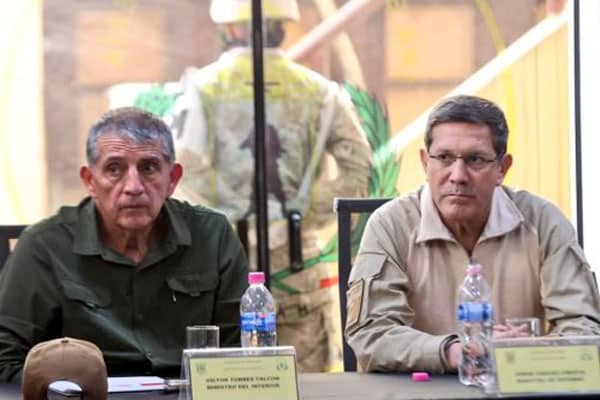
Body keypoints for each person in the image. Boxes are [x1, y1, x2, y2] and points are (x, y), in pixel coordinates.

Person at [167, 0, 371, 371]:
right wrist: (304, 211)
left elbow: (177, 172)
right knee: (306, 388)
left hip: (224, 265)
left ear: (228, 27)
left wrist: (222, 216)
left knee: (230, 384)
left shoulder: (200, 89)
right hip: (299, 266)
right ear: (284, 23)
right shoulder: (321, 91)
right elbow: (360, 170)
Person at [345, 95, 600, 373]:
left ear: (502, 168)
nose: (458, 175)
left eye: (475, 159)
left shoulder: (543, 222)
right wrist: (455, 352)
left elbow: (585, 328)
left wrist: (524, 354)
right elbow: (372, 333)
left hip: (517, 387)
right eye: (444, 158)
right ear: (425, 163)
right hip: (421, 389)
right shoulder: (390, 225)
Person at [0, 107, 248, 382]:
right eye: (114, 169)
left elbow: (242, 351)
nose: (133, 187)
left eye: (148, 168)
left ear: (173, 179)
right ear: (90, 181)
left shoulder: (212, 235)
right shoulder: (45, 246)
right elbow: (4, 359)